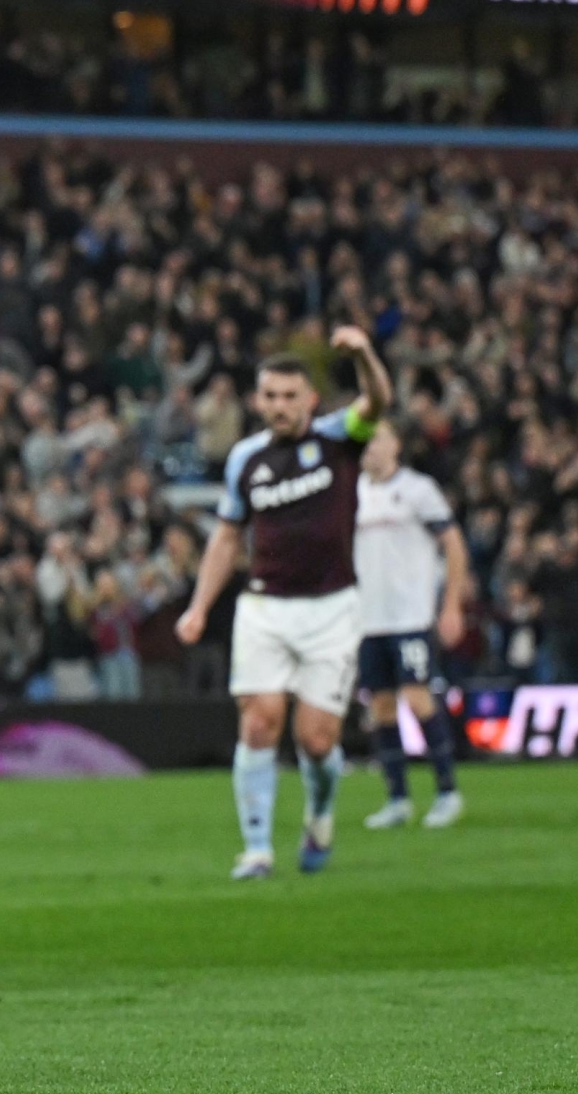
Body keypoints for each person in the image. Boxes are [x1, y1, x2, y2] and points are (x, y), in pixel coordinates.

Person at [176, 327, 393, 879]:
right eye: (269, 396)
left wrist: (364, 354)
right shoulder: (245, 460)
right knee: (258, 724)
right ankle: (256, 849)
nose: (279, 406)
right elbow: (228, 537)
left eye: (289, 396)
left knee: (316, 739)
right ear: (257, 400)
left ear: (310, 399)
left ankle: (319, 813)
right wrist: (200, 606)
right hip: (266, 608)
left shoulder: (340, 439)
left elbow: (379, 401)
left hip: (332, 608)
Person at [354, 425, 469, 829]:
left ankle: (447, 791)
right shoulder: (352, 493)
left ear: (396, 444)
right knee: (381, 706)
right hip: (368, 619)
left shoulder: (419, 489)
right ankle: (398, 798)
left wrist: (451, 604)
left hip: (410, 616)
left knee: (418, 698)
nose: (369, 446)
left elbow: (453, 543)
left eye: (378, 438)